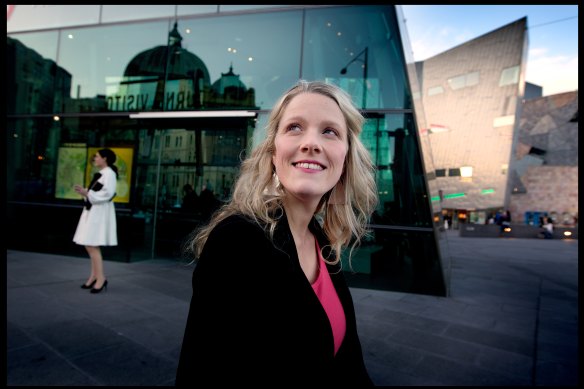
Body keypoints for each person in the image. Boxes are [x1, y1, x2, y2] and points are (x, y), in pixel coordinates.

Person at [176, 80, 378, 386]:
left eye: (329, 131)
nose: (311, 143)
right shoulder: (238, 241)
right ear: (273, 154)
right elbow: (203, 371)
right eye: (295, 127)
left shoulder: (321, 244)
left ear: (347, 158)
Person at [73, 148, 118, 294]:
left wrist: (87, 192)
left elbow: (108, 194)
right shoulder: (104, 174)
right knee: (90, 244)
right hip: (94, 211)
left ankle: (100, 278)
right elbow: (99, 192)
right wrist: (85, 192)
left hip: (99, 213)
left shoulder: (109, 174)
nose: (95, 159)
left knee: (92, 245)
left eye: (97, 156)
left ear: (105, 158)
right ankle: (95, 276)